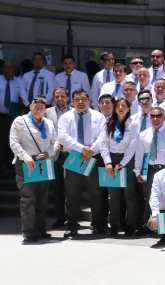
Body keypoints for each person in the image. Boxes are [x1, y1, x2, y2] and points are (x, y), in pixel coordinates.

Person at [57, 89, 108, 237]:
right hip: (73, 158)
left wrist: (89, 151)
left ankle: (98, 224)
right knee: (72, 195)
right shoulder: (66, 117)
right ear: (72, 101)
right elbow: (63, 138)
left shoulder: (98, 117)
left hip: (93, 158)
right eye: (77, 99)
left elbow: (102, 137)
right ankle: (72, 225)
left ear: (89, 101)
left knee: (96, 195)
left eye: (83, 99)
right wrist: (82, 149)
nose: (80, 102)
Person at [10, 97, 58, 242]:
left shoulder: (48, 123)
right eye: (36, 107)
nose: (38, 110)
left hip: (42, 163)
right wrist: (26, 157)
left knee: (42, 199)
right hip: (26, 164)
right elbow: (14, 143)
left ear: (45, 109)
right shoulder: (20, 121)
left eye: (41, 108)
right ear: (30, 106)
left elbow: (55, 142)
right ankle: (29, 231)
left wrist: (48, 153)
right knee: (28, 199)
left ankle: (41, 229)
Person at [133, 107, 165, 236]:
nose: (155, 119)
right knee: (150, 198)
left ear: (164, 118)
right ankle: (149, 225)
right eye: (153, 116)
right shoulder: (143, 135)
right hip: (150, 170)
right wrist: (138, 172)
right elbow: (139, 155)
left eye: (158, 116)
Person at [97, 98, 139, 236]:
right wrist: (108, 162)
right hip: (111, 159)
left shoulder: (133, 124)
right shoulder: (108, 123)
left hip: (127, 160)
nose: (121, 108)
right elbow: (103, 144)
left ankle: (130, 225)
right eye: (118, 105)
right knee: (114, 196)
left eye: (124, 105)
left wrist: (123, 163)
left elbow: (133, 145)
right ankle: (114, 225)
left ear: (128, 108)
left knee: (129, 195)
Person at [43, 88, 71, 227]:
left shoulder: (74, 112)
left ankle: (72, 218)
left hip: (71, 154)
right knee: (57, 188)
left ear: (67, 98)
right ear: (53, 99)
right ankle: (61, 217)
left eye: (62, 96)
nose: (60, 98)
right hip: (54, 155)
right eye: (57, 96)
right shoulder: (47, 112)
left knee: (71, 188)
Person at [1, 61, 24, 172]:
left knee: (11, 139)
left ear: (14, 70)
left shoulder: (20, 82)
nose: (7, 70)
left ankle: (10, 162)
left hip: (13, 116)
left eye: (10, 68)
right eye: (5, 67)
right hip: (0, 115)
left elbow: (23, 96)